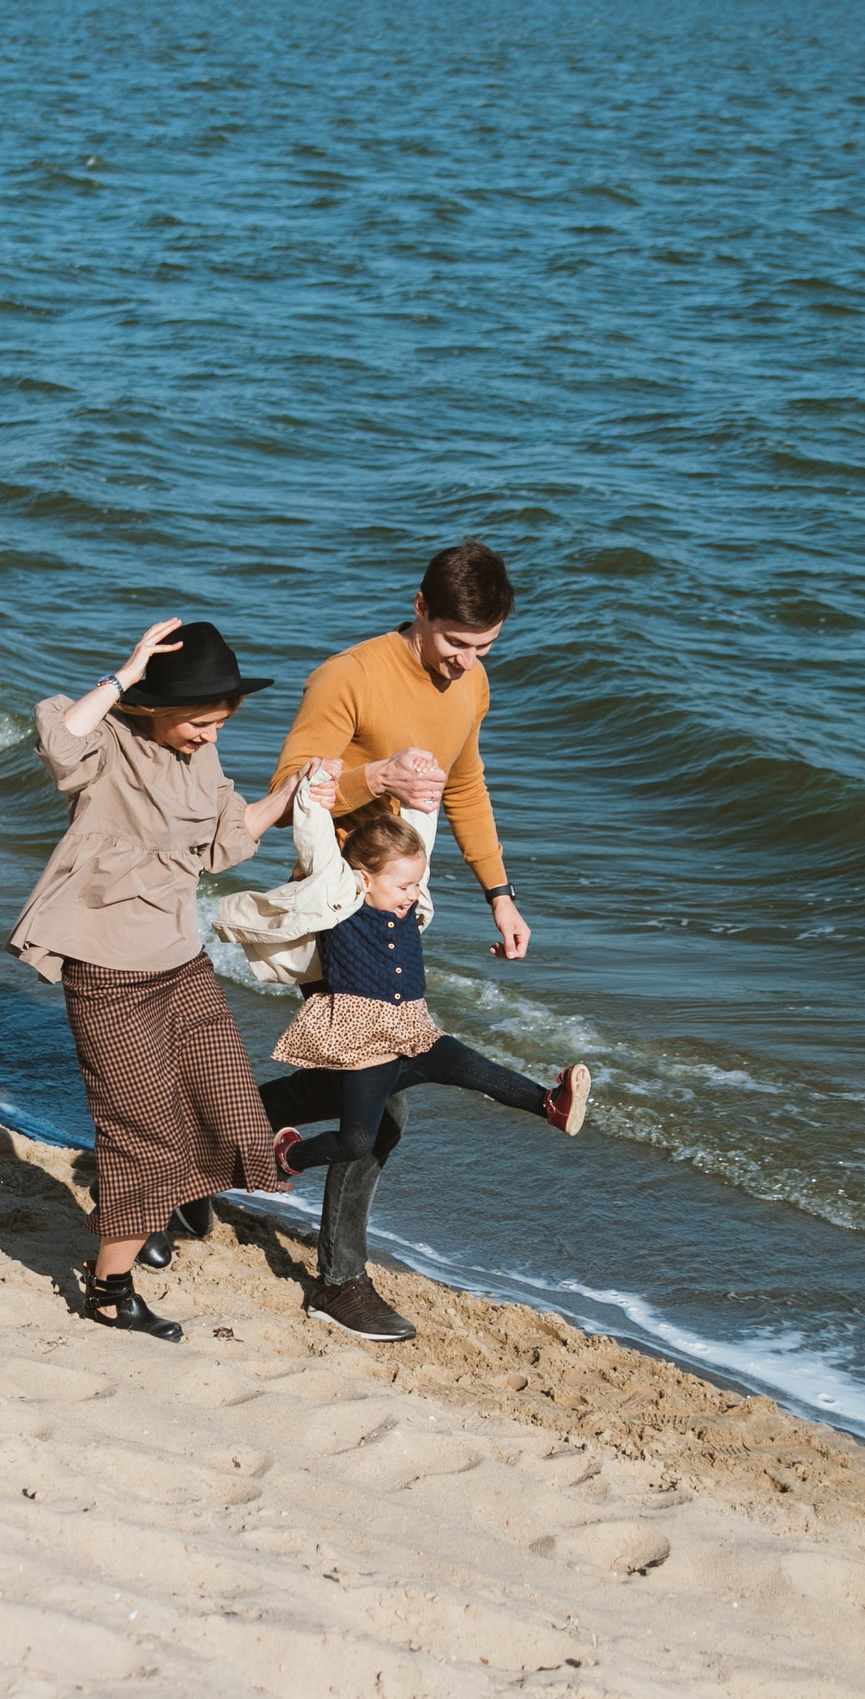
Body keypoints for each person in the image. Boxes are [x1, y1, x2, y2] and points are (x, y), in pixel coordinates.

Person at [7, 617, 336, 1341]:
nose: (210, 736)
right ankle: (109, 1287)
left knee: (231, 1105)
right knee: (146, 1134)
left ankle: (149, 1207)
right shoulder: (109, 743)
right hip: (109, 971)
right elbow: (59, 740)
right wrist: (126, 673)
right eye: (199, 722)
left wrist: (290, 794)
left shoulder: (201, 757)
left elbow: (221, 843)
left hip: (180, 963)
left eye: (221, 723)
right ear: (157, 706)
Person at [259, 540, 529, 1342]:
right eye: (456, 642)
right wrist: (374, 778)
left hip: (399, 907)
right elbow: (285, 789)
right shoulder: (348, 677)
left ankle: (220, 1133)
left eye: (484, 647)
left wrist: (500, 894)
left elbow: (466, 785)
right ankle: (339, 1280)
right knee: (383, 1109)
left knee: (351, 1092)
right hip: (338, 905)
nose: (466, 663)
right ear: (419, 608)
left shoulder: (472, 684)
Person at [212, 784, 588, 1187]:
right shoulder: (342, 899)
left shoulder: (408, 901)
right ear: (365, 878)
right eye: (404, 886)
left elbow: (420, 832)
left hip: (413, 1031)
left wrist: (423, 794)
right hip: (364, 1045)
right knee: (356, 1141)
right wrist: (314, 795)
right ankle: (288, 1156)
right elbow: (316, 844)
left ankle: (550, 1104)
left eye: (416, 884)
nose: (413, 894)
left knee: (466, 1066)